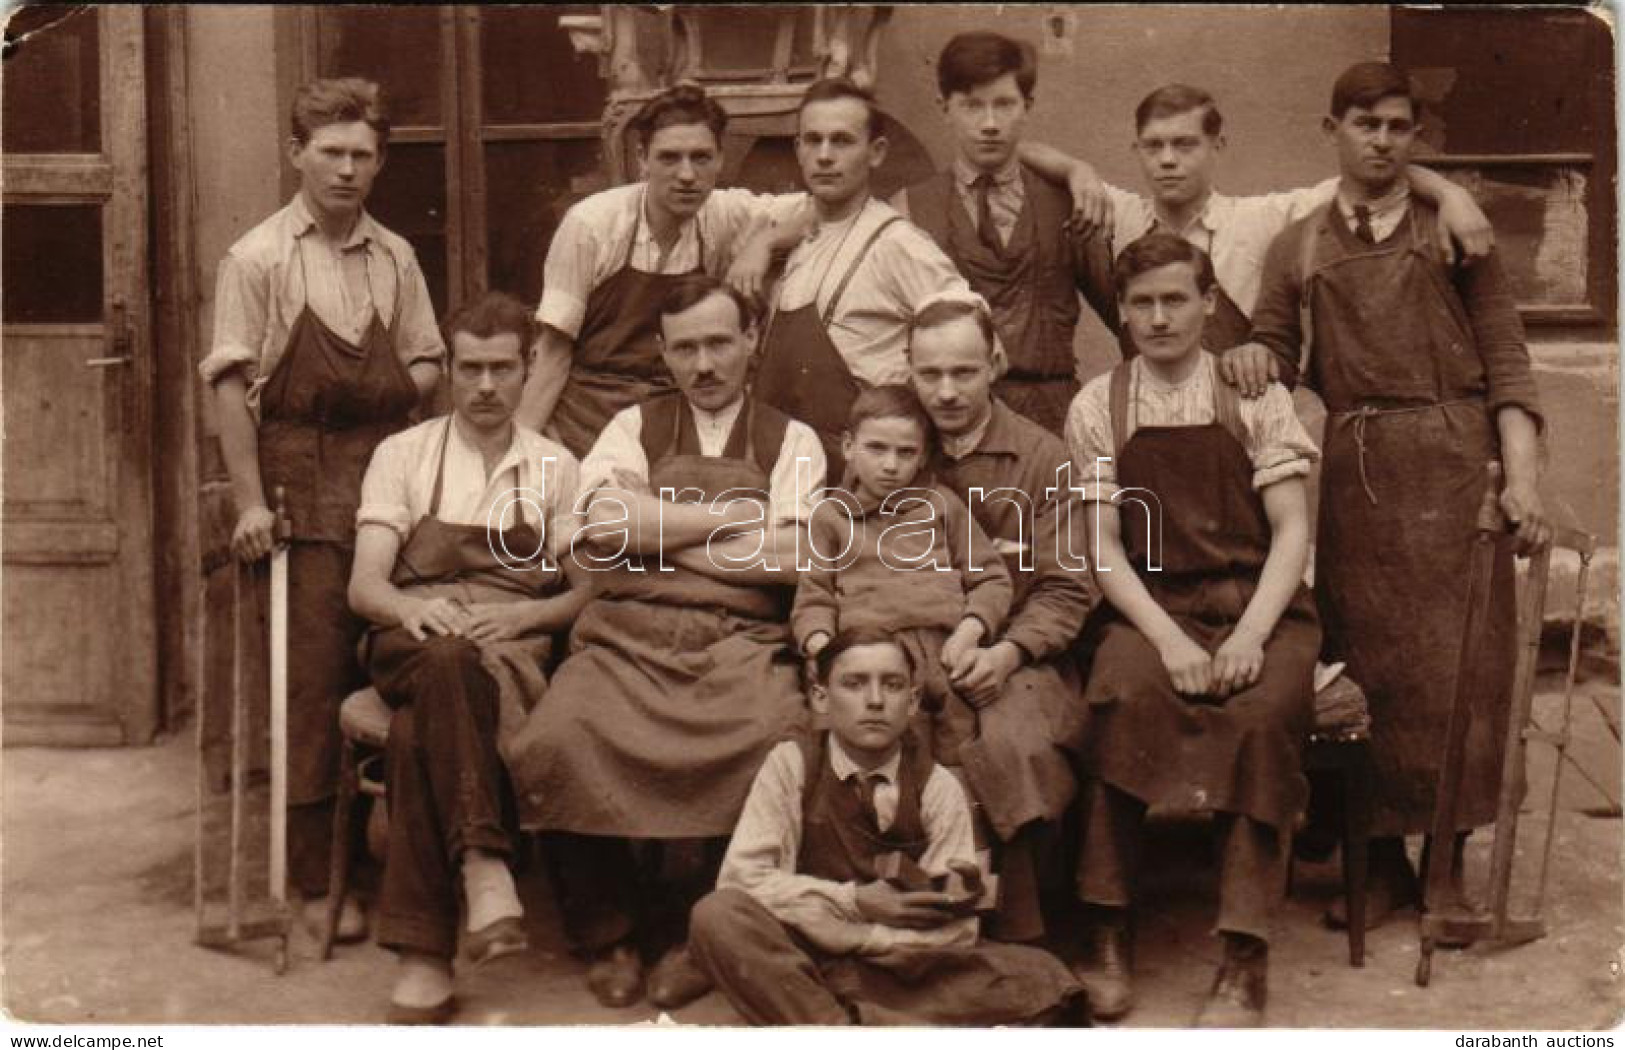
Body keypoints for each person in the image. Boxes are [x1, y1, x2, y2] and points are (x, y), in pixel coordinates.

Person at [1239, 62, 1550, 930]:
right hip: (1355, 478)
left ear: (1414, 137)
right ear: (1330, 127)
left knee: (1460, 679)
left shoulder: (1457, 233)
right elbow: (1270, 346)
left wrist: (1519, 481)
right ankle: (1373, 867)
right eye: (1363, 124)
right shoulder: (1296, 244)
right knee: (1365, 675)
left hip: (1455, 468)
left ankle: (1444, 872)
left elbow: (1507, 363)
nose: (1380, 140)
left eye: (1396, 127)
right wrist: (1251, 359)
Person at [505, 276, 824, 1010]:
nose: (704, 364)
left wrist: (660, 534)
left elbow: (791, 558)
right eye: (685, 349)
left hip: (739, 638)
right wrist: (735, 518)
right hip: (626, 635)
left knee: (774, 735)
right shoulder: (630, 427)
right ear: (664, 353)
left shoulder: (792, 438)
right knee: (559, 734)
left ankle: (699, 928)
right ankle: (606, 928)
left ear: (752, 341)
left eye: (719, 343)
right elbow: (607, 529)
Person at [197, 77, 445, 937]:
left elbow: (426, 367)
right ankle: (310, 877)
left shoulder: (395, 257)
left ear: (380, 162)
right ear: (296, 153)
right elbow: (231, 391)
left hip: (387, 480)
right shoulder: (257, 258)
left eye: (362, 154)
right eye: (331, 152)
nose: (346, 169)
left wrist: (376, 394)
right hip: (297, 488)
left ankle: (397, 857)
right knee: (310, 681)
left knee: (396, 658)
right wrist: (249, 502)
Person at [1065, 233, 1322, 1026]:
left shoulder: (1252, 396)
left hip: (1260, 603)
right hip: (1152, 605)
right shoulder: (1098, 405)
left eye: (1175, 298)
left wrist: (1247, 636)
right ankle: (1106, 925)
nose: (1158, 316)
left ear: (1208, 302)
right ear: (1122, 313)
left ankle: (1244, 955)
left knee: (1257, 714)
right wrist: (1171, 643)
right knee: (1118, 692)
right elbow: (1102, 549)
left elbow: (1291, 533)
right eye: (1140, 303)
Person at [347, 292, 589, 1023]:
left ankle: (424, 959)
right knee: (447, 658)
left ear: (526, 372)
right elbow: (365, 587)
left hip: (505, 646)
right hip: (408, 637)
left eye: (502, 369)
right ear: (448, 371)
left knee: (419, 730)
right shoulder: (404, 454)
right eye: (470, 368)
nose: (486, 386)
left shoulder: (555, 466)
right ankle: (486, 862)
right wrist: (412, 607)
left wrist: (523, 613)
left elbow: (583, 595)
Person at [688, 628, 1087, 1026]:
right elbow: (742, 880)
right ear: (821, 697)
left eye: (892, 685)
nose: (875, 701)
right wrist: (855, 901)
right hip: (804, 955)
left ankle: (836, 1021)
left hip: (894, 966)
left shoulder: (938, 786)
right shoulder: (791, 764)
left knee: (1046, 977)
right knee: (717, 916)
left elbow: (959, 931)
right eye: (854, 684)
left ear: (912, 701)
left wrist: (864, 938)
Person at [1023, 82, 1496, 361]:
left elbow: (1368, 179)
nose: (1167, 160)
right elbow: (1016, 152)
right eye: (1154, 146)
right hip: (1148, 418)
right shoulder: (1119, 217)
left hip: (1242, 421)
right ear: (1137, 151)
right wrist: (1075, 170)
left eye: (1185, 145)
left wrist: (1449, 193)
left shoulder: (1260, 219)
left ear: (1217, 147)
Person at [907, 292, 1095, 944]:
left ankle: (1019, 932)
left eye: (963, 371)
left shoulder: (1042, 459)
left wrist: (1005, 654)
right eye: (928, 374)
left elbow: (1066, 589)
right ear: (908, 374)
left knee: (1010, 744)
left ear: (994, 362)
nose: (947, 391)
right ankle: (918, 928)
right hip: (912, 647)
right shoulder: (896, 450)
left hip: (1021, 656)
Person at [519, 83, 799, 458]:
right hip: (584, 425)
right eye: (669, 158)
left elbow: (817, 209)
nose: (686, 175)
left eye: (701, 158)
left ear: (720, 159)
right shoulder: (593, 225)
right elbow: (553, 354)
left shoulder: (723, 213)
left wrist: (763, 242)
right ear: (642, 159)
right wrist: (520, 453)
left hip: (672, 425)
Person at [753, 77, 986, 475]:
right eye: (813, 140)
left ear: (876, 152)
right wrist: (758, 243)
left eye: (842, 141)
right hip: (783, 465)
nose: (824, 156)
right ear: (798, 149)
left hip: (863, 475)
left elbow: (972, 329)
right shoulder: (796, 233)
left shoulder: (897, 243)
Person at [892, 31, 1118, 434]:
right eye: (972, 106)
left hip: (1053, 415)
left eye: (1004, 104)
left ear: (1027, 107)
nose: (990, 123)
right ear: (945, 108)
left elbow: (1125, 312)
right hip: (948, 423)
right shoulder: (909, 207)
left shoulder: (1068, 201)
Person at [792, 384, 1013, 770]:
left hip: (945, 656)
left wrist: (969, 632)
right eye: (877, 448)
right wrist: (825, 651)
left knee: (958, 759)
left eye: (905, 452)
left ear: (922, 455)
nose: (891, 465)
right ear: (848, 447)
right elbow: (814, 599)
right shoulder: (831, 518)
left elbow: (991, 578)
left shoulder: (942, 506)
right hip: (870, 657)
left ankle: (955, 821)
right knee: (872, 757)